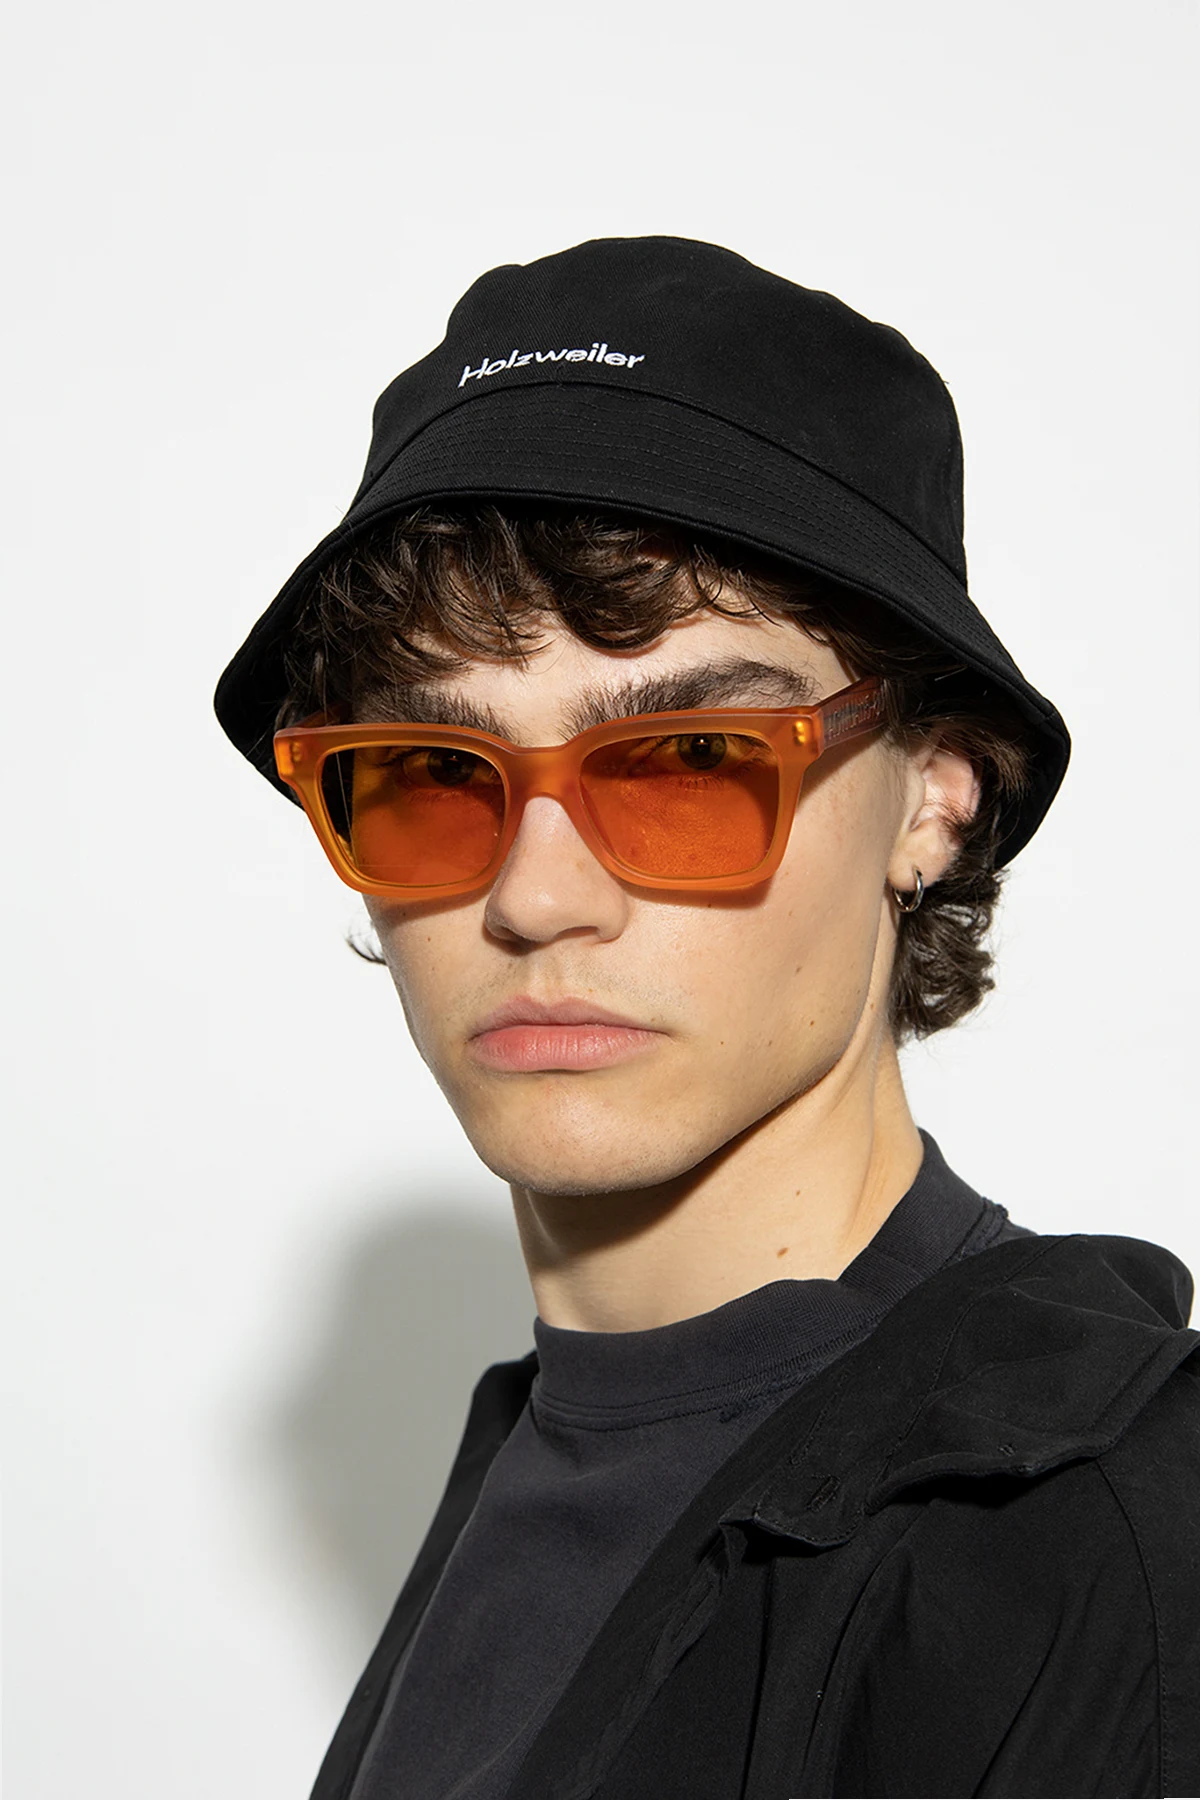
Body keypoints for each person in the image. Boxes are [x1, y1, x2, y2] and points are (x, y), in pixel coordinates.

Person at [214, 237, 1200, 1800]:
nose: (537, 897)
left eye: (688, 764)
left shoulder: (1094, 1538)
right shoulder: (543, 1454)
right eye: (432, 775)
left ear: (934, 799)